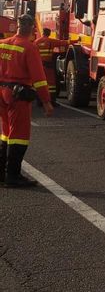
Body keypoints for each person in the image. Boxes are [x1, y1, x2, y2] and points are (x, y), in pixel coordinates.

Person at [0, 14, 53, 187]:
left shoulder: (2, 44)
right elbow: (39, 78)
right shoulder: (29, 47)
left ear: (17, 26)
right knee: (19, 135)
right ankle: (13, 176)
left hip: (2, 92)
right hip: (18, 95)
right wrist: (46, 101)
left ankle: (2, 173)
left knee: (6, 133)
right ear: (31, 28)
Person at [34, 28, 77, 105]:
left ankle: (39, 101)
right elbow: (64, 42)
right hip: (48, 65)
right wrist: (77, 40)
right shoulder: (51, 41)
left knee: (39, 82)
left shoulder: (36, 42)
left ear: (43, 33)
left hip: (39, 65)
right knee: (51, 84)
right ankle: (52, 101)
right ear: (49, 33)